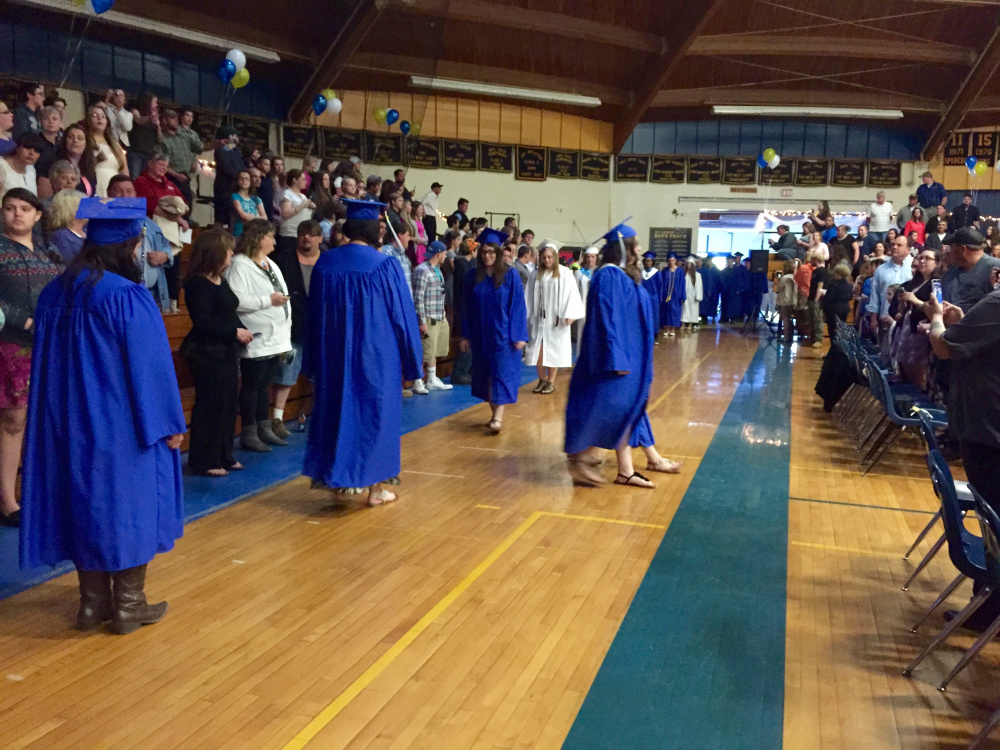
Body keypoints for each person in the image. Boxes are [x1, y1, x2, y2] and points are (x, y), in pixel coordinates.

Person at [19, 195, 185, 634]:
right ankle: (129, 605)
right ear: (131, 246)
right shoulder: (126, 296)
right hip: (118, 421)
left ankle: (91, 605)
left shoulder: (57, 290)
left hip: (65, 421)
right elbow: (150, 367)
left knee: (83, 503)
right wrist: (169, 423)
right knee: (126, 507)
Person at [303, 198, 423, 506]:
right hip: (376, 355)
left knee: (334, 413)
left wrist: (314, 359)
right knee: (375, 418)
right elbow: (402, 317)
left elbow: (313, 316)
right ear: (374, 230)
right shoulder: (385, 265)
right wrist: (412, 364)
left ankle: (335, 483)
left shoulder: (326, 264)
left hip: (335, 355)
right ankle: (375, 490)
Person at [564, 224, 679, 489]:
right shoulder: (608, 276)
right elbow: (607, 318)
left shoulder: (624, 276)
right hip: (614, 361)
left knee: (629, 408)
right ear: (622, 249)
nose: (639, 249)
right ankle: (580, 457)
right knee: (607, 408)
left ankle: (626, 469)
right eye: (634, 245)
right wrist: (616, 357)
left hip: (630, 358)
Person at [925, 290, 1000, 631]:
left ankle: (988, 610)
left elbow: (943, 345)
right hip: (985, 427)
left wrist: (937, 318)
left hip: (987, 430)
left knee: (993, 523)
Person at [0, 189, 61, 527]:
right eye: (10, 208)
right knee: (13, 421)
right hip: (8, 343)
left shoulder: (49, 252)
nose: (17, 215)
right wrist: (23, 320)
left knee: (38, 419)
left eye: (24, 208)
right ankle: (7, 499)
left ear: (38, 214)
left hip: (47, 344)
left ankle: (35, 493)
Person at [181, 230, 252, 477]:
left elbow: (228, 310)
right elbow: (203, 322)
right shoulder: (197, 283)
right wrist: (235, 332)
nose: (232, 253)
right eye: (228, 249)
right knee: (210, 405)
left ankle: (224, 453)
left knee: (228, 404)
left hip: (225, 351)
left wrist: (240, 330)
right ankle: (203, 459)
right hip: (205, 351)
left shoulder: (221, 279)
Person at [225, 219, 292, 453]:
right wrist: (268, 301)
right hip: (257, 337)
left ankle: (264, 427)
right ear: (258, 237)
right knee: (252, 385)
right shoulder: (240, 265)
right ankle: (249, 430)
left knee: (264, 385)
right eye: (270, 235)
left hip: (276, 338)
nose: (274, 240)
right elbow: (236, 300)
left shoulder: (270, 263)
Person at [457, 229, 528, 433]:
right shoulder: (473, 276)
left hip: (503, 336)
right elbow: (466, 308)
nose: (487, 256)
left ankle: (498, 416)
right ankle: (494, 413)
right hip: (480, 336)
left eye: (491, 252)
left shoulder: (510, 275)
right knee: (485, 376)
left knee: (501, 374)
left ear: (498, 253)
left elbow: (518, 307)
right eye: (484, 252)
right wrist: (465, 334)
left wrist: (519, 335)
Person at [270, 220, 322, 438]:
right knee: (286, 371)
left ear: (320, 238)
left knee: (321, 373)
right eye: (302, 233)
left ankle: (321, 415)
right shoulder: (284, 260)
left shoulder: (327, 261)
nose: (306, 238)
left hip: (320, 326)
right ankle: (277, 418)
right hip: (292, 327)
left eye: (311, 234)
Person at [525, 243, 584, 395]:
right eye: (544, 257)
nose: (547, 260)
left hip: (557, 320)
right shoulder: (535, 273)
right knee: (538, 350)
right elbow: (529, 296)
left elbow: (572, 294)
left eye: (550, 257)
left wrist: (570, 314)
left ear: (556, 257)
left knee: (554, 350)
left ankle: (551, 381)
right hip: (539, 319)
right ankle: (541, 379)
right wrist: (527, 315)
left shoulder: (564, 273)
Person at [409, 239, 455, 395]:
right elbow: (418, 298)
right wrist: (421, 321)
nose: (445, 256)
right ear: (439, 253)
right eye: (444, 253)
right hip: (428, 316)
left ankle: (432, 378)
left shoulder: (437, 270)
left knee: (434, 349)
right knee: (425, 350)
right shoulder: (422, 271)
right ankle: (417, 380)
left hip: (439, 314)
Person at [890, 248, 941, 390]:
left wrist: (915, 300)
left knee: (919, 371)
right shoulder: (914, 282)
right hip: (907, 326)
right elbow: (902, 310)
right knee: (906, 367)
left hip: (922, 331)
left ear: (937, 263)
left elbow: (938, 308)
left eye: (927, 258)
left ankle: (919, 404)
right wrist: (902, 302)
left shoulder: (936, 283)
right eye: (921, 258)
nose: (922, 261)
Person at [940, 227, 1000, 313]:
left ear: (962, 249)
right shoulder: (953, 270)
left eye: (951, 247)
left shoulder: (995, 268)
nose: (949, 250)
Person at [867, 234, 913, 337]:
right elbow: (875, 296)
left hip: (907, 322)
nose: (894, 247)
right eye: (893, 244)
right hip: (885, 320)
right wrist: (873, 319)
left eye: (899, 245)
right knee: (885, 352)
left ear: (908, 249)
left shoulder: (913, 268)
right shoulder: (881, 269)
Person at [158, 108, 204, 212]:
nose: (176, 121)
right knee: (175, 204)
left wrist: (217, 143)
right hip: (172, 175)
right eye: (173, 118)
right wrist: (176, 175)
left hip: (186, 173)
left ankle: (187, 221)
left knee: (188, 201)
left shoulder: (186, 136)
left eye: (176, 118)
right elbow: (163, 163)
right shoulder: (164, 140)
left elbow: (199, 148)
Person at [36, 124, 96, 199]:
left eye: (80, 138)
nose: (75, 140)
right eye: (71, 137)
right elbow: (43, 198)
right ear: (64, 141)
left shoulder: (88, 168)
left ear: (86, 144)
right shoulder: (51, 164)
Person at [277, 169, 316, 254]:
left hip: (300, 234)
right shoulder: (287, 193)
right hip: (289, 235)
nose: (305, 181)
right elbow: (285, 213)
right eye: (303, 179)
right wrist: (303, 206)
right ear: (294, 180)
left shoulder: (303, 196)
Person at [213, 126, 244, 228]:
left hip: (235, 188)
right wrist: (239, 178)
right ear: (228, 136)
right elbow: (226, 167)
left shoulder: (235, 151)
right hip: (224, 189)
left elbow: (241, 166)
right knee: (222, 218)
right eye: (234, 135)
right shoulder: (221, 150)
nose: (237, 137)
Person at [47, 189, 87, 264]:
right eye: (85, 206)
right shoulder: (61, 237)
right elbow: (68, 265)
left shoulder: (87, 231)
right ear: (73, 210)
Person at [0, 133, 43, 197]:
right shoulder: (1, 165)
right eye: (28, 148)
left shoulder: (31, 170)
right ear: (17, 147)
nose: (31, 153)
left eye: (36, 151)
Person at [821, 262, 853, 340]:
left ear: (839, 274)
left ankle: (835, 349)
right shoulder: (849, 285)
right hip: (845, 308)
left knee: (833, 331)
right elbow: (850, 297)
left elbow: (828, 298)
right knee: (841, 329)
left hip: (833, 309)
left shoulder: (833, 284)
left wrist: (824, 308)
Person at [230, 169, 266, 237]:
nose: (244, 181)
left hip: (254, 233)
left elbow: (264, 217)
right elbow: (242, 214)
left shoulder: (256, 199)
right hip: (239, 233)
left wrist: (251, 218)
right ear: (237, 181)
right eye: (241, 178)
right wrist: (258, 218)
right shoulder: (235, 196)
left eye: (247, 179)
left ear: (250, 182)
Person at [776, 261, 804, 342]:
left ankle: (786, 337)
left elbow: (779, 289)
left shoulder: (784, 278)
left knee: (786, 320)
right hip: (795, 301)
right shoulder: (796, 277)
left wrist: (778, 280)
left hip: (785, 301)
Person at [659, 253, 686, 336]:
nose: (671, 262)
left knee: (675, 312)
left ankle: (673, 330)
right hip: (666, 295)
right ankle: (667, 329)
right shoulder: (664, 271)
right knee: (666, 311)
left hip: (676, 295)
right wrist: (661, 295)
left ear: (676, 261)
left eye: (673, 261)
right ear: (668, 261)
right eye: (670, 261)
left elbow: (682, 284)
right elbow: (662, 284)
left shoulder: (680, 271)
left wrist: (683, 296)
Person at [806, 252, 829, 348]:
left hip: (817, 300)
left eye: (812, 259)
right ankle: (813, 337)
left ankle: (818, 339)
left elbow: (820, 286)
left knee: (817, 319)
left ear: (815, 259)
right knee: (812, 319)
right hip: (811, 298)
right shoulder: (815, 271)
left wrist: (816, 299)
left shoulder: (822, 272)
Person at [681, 258, 703, 330]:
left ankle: (690, 324)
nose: (688, 265)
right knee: (684, 309)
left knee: (692, 309)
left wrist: (698, 296)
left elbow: (699, 287)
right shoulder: (684, 274)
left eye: (690, 264)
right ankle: (683, 323)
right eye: (687, 264)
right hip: (685, 295)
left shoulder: (697, 275)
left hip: (693, 296)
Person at [698, 257, 722, 322]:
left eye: (708, 261)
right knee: (706, 305)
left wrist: (717, 289)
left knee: (713, 304)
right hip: (706, 289)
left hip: (714, 290)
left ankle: (714, 317)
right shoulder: (705, 269)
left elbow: (718, 281)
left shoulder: (716, 270)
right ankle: (705, 316)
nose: (707, 262)